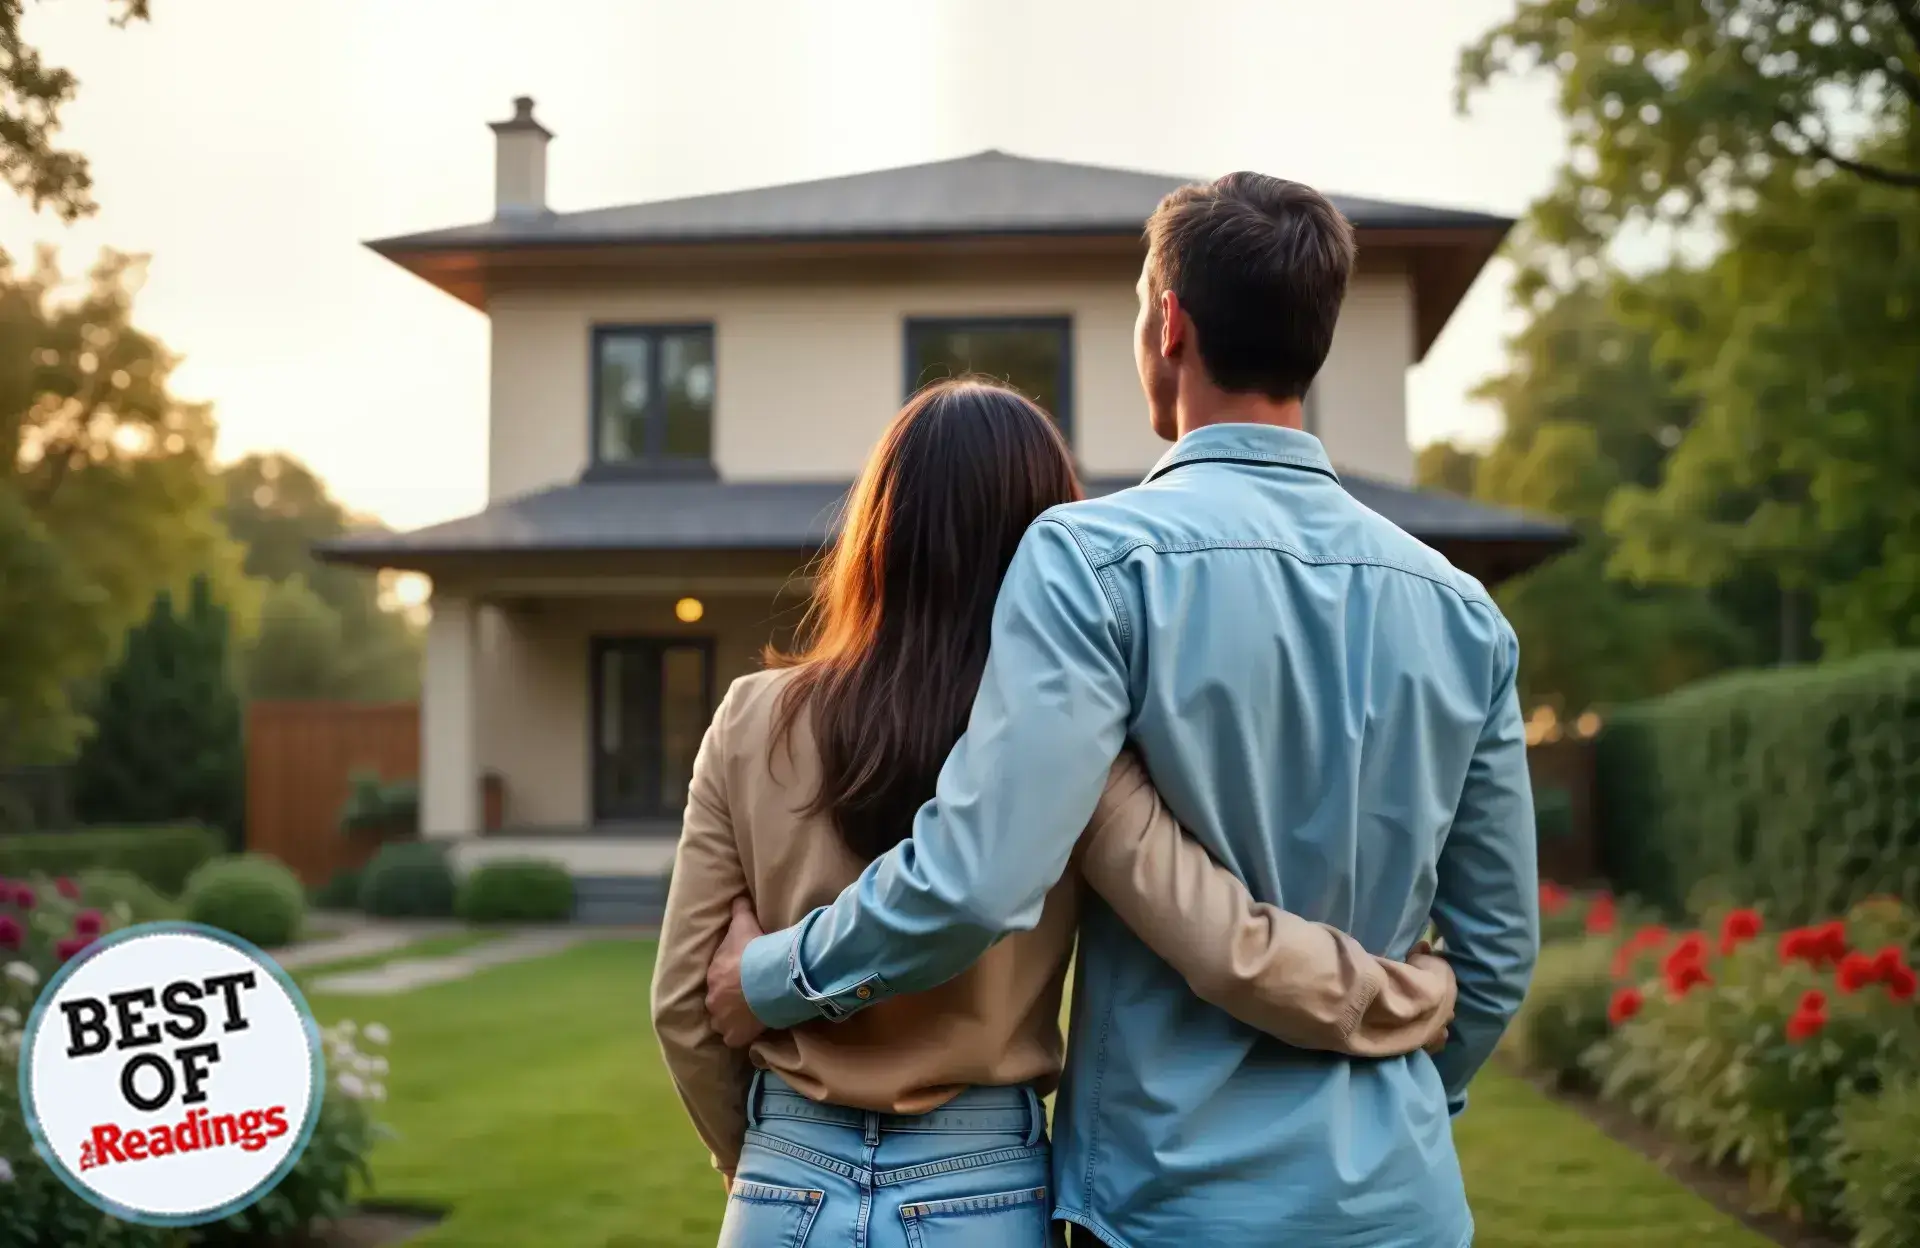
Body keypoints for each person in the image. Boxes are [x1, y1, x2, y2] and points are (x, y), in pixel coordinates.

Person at [705, 174, 1540, 1248]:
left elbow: (976, 881)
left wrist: (770, 976)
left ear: (1168, 322)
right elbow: (1500, 950)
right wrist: (1409, 1107)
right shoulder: (1464, 614)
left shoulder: (1093, 563)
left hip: (1167, 1204)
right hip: (1401, 1202)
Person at [650, 378, 1461, 1248]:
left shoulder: (749, 720)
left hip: (783, 1180)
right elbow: (1226, 943)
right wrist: (1408, 993)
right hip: (978, 1191)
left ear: (875, 533)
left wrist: (759, 1159)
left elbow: (683, 1005)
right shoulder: (1073, 751)